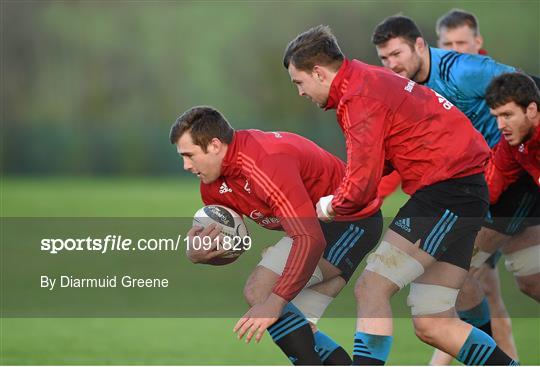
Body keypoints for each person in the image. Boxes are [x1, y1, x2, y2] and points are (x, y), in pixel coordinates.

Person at [283, 25, 517, 365]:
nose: (301, 92)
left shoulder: (357, 98)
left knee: (372, 287)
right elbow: (380, 163)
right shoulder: (364, 81)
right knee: (433, 323)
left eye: (299, 82)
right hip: (459, 190)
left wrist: (327, 206)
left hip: (448, 192)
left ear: (318, 72)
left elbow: (362, 185)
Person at [170, 106, 383, 365]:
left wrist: (275, 301)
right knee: (299, 326)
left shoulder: (263, 162)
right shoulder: (213, 186)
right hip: (314, 227)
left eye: (189, 155)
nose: (185, 165)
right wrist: (199, 254)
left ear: (214, 145)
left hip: (350, 220)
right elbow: (235, 246)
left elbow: (310, 238)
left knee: (262, 290)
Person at [371, 9, 539, 312]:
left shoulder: (462, 71)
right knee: (529, 282)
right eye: (384, 58)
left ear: (419, 46)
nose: (392, 64)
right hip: (485, 177)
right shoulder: (403, 89)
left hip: (515, 176)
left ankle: (492, 358)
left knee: (444, 273)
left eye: (396, 53)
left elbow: (527, 85)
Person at [428, 9, 519, 364]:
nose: (455, 50)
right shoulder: (438, 81)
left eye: (461, 43)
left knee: (452, 289)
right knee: (485, 297)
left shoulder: (492, 83)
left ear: (477, 43)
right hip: (471, 197)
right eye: (448, 44)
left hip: (496, 198)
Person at [484, 73, 540, 301]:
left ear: (532, 110)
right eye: (496, 116)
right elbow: (491, 186)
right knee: (530, 283)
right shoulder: (512, 145)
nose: (500, 125)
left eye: (507, 115)